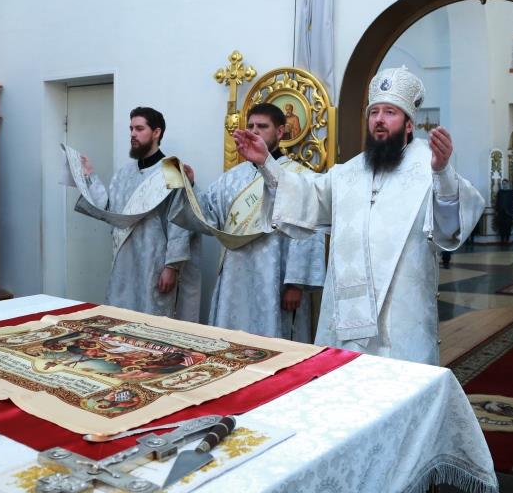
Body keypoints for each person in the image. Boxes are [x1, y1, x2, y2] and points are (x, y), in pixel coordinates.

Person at [234, 67, 484, 364]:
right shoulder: (349, 171)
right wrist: (267, 164)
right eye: (374, 112)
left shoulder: (428, 166)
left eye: (390, 112)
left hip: (402, 317)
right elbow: (308, 196)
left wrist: (442, 172)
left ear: (408, 124)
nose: (379, 119)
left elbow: (450, 229)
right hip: (346, 315)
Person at [173, 102, 326, 341]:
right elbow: (210, 216)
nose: (254, 131)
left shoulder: (298, 175)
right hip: (234, 276)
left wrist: (296, 283)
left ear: (280, 131)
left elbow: (308, 228)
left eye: (262, 126)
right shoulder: (232, 177)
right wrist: (190, 186)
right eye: (251, 126)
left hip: (274, 277)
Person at [75, 107, 200, 321]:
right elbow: (109, 211)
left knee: (151, 320)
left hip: (154, 262)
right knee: (120, 319)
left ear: (156, 132)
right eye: (131, 129)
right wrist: (89, 176)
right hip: (124, 261)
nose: (133, 134)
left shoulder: (171, 170)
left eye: (139, 129)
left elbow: (179, 221)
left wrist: (172, 267)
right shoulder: (123, 173)